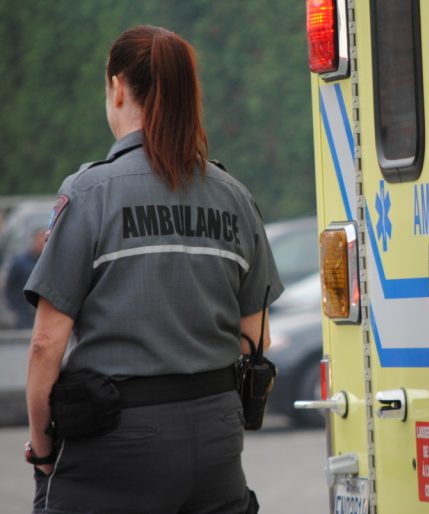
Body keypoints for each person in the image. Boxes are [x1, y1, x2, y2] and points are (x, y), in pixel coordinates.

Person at [23, 25, 282, 513]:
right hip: (217, 444)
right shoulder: (234, 196)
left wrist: (41, 450)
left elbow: (44, 345)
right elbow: (256, 338)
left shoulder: (89, 193)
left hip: (115, 442)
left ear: (118, 87)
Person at [4, 228, 45, 328]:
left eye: (43, 241)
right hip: (23, 312)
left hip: (43, 312)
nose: (40, 244)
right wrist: (14, 308)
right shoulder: (19, 262)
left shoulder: (49, 262)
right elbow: (10, 287)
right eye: (38, 241)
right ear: (33, 241)